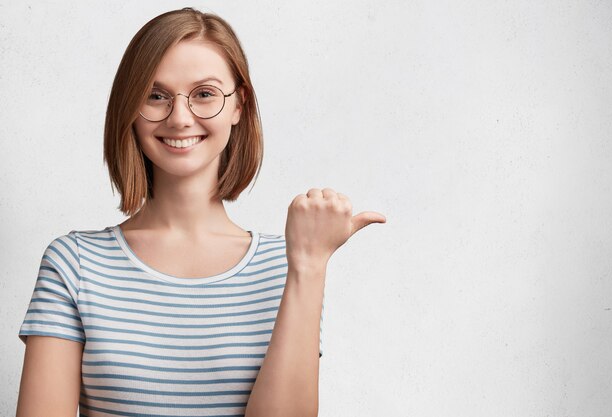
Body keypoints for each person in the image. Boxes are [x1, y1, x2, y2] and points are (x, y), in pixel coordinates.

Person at [15, 7, 386, 417]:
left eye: (204, 94)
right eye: (155, 95)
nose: (179, 118)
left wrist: (310, 264)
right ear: (130, 109)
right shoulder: (75, 264)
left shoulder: (286, 266)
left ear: (238, 106)